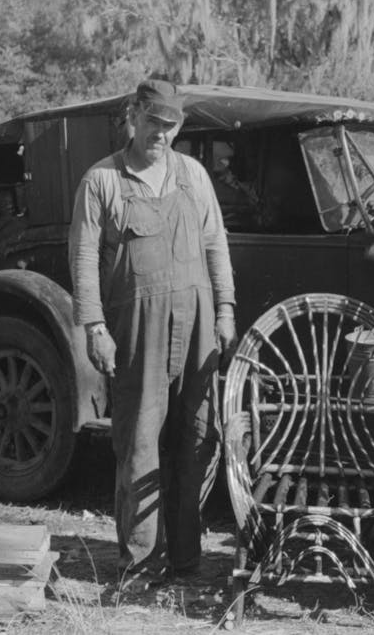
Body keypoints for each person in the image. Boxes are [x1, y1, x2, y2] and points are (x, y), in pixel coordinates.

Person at [68, 79, 237, 587]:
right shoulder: (101, 181)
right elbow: (82, 259)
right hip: (138, 330)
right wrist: (94, 326)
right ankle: (139, 565)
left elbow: (215, 245)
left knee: (196, 439)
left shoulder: (193, 175)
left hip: (200, 322)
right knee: (140, 443)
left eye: (171, 126)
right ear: (133, 117)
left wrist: (226, 308)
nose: (161, 134)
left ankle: (185, 561)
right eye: (153, 123)